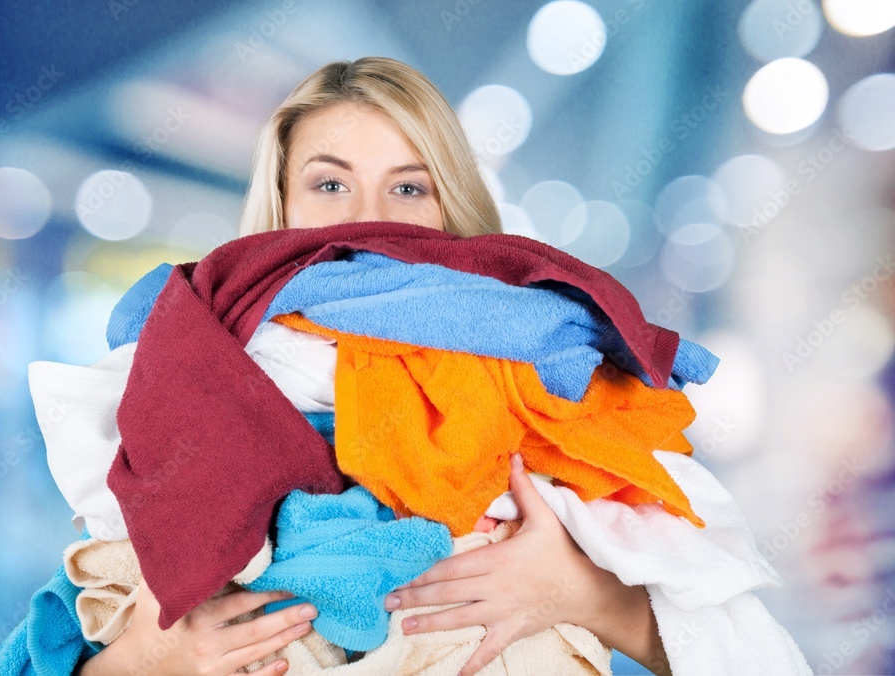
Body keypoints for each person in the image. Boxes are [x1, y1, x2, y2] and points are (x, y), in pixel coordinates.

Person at [77, 56, 671, 676]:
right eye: (330, 184)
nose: (368, 217)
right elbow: (74, 627)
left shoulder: (550, 367)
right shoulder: (181, 361)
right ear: (282, 205)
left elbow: (723, 638)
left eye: (409, 187)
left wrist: (584, 594)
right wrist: (143, 660)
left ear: (450, 205)